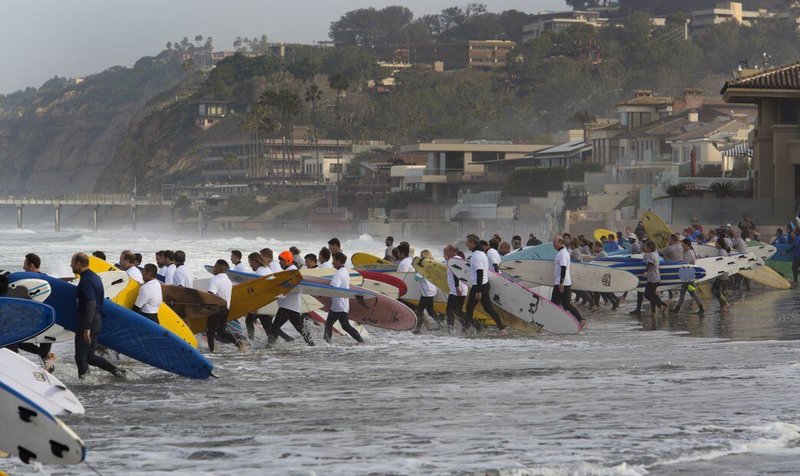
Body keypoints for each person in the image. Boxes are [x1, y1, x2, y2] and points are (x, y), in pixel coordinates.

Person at [70, 252, 124, 379]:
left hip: (88, 322)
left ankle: (85, 385)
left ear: (78, 264)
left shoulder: (85, 281)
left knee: (80, 357)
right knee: (90, 356)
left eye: (72, 263)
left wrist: (87, 328)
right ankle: (118, 372)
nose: (70, 265)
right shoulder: (94, 277)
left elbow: (91, 303)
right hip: (97, 320)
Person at [268, 251, 315, 347]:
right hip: (293, 306)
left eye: (281, 260)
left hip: (287, 306)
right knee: (300, 329)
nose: (280, 262)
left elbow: (289, 286)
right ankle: (312, 345)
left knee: (274, 327)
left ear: (287, 260)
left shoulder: (291, 271)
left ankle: (270, 347)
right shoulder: (289, 271)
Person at [463, 234, 507, 335]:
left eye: (467, 243)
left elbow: (480, 272)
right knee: (488, 308)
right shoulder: (482, 253)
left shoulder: (476, 256)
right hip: (484, 284)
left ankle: (468, 330)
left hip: (479, 286)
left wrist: (478, 291)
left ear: (473, 243)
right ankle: (502, 329)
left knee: (469, 308)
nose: (466, 245)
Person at [324, 252, 364, 344]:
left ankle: (361, 341)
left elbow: (333, 287)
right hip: (338, 305)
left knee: (345, 326)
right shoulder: (345, 271)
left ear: (338, 261)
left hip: (339, 305)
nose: (332, 262)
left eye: (333, 260)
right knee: (328, 324)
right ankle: (327, 343)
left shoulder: (339, 273)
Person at [205, 259, 246, 352]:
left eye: (215, 267)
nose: (213, 269)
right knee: (221, 332)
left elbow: (210, 294)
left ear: (219, 268)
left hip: (216, 309)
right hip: (226, 310)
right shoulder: (228, 280)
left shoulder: (215, 279)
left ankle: (212, 352)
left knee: (210, 333)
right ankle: (239, 343)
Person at [551, 237, 588, 329]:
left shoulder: (562, 254)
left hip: (562, 283)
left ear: (560, 242)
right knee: (563, 304)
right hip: (562, 282)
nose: (553, 244)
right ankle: (579, 320)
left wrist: (561, 283)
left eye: (554, 242)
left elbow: (563, 268)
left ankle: (579, 320)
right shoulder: (561, 252)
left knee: (555, 304)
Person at [412, 249, 443, 334]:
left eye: (421, 256)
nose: (420, 258)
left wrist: (416, 269)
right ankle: (418, 329)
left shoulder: (422, 268)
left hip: (426, 292)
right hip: (430, 290)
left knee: (430, 311)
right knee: (420, 309)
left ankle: (442, 325)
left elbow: (416, 278)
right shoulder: (431, 266)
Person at [671, 239, 705, 314]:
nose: (682, 246)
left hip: (688, 276)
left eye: (683, 244)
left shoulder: (689, 253)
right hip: (686, 275)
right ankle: (677, 309)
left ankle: (701, 308)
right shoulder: (688, 252)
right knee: (683, 292)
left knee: (692, 292)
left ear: (687, 244)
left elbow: (685, 264)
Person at [442, 244, 467, 332]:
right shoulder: (454, 259)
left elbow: (457, 274)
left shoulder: (455, 259)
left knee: (449, 310)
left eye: (445, 252)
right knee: (457, 311)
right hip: (457, 289)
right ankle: (470, 325)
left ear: (452, 251)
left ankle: (450, 330)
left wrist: (457, 287)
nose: (444, 254)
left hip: (457, 289)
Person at [642, 240, 668, 314]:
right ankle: (656, 309)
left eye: (646, 246)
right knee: (652, 295)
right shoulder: (655, 253)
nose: (645, 248)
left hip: (652, 278)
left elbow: (649, 263)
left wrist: (646, 272)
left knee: (647, 295)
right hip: (655, 277)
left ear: (649, 248)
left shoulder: (650, 255)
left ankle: (661, 305)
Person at [713, 238, 731, 309]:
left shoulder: (722, 252)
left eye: (716, 243)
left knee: (715, 289)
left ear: (720, 244)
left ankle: (725, 303)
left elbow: (722, 262)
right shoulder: (720, 251)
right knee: (715, 289)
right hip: (720, 273)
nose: (715, 244)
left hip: (722, 274)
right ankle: (723, 304)